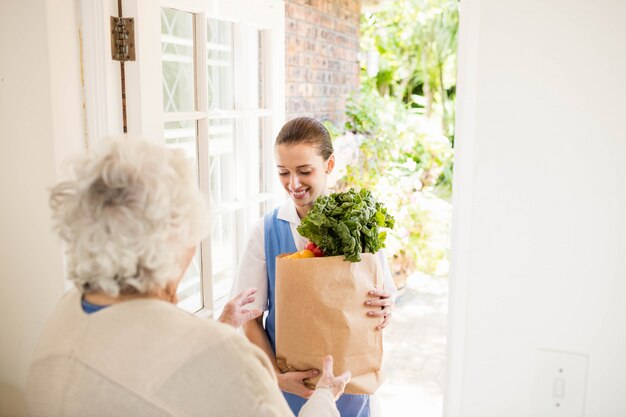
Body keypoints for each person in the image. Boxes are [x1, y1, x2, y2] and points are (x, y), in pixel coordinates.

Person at [25, 136, 351, 417]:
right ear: (170, 239)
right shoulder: (230, 356)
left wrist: (219, 328)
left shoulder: (66, 312)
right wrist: (323, 396)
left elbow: (150, 365)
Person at [230, 117, 397, 417]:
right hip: (288, 391)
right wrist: (276, 378)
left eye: (304, 171)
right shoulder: (266, 231)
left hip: (349, 389)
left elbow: (382, 299)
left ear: (329, 165)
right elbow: (248, 318)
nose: (293, 184)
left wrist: (386, 305)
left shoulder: (359, 224)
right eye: (283, 172)